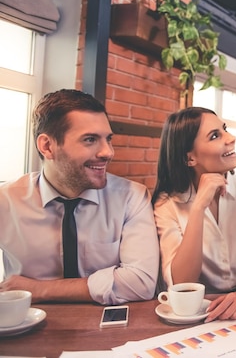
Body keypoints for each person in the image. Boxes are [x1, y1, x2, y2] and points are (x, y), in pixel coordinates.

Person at [0, 89, 159, 305]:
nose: (108, 152)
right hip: (25, 329)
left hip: (108, 330)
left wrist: (39, 289)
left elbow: (141, 283)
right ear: (47, 146)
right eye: (90, 140)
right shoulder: (6, 201)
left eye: (108, 139)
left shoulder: (131, 197)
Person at [152, 107, 236, 322]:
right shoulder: (167, 204)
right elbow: (181, 283)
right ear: (189, 158)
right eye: (215, 136)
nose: (231, 138)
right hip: (199, 310)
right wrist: (198, 207)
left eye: (225, 129)